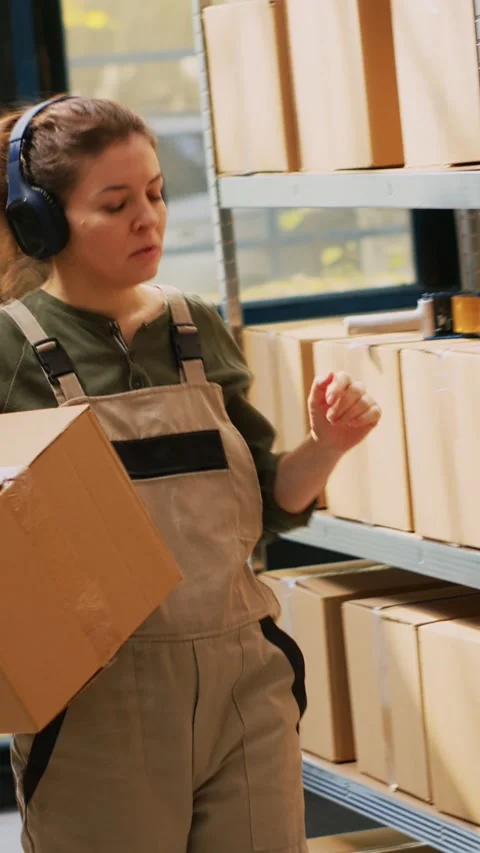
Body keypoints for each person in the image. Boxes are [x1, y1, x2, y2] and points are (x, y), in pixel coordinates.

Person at [0, 95, 381, 853]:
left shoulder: (194, 325)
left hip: (246, 678)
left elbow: (270, 499)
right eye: (115, 204)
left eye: (155, 192)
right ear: (41, 222)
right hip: (99, 702)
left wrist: (326, 445)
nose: (149, 219)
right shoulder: (10, 348)